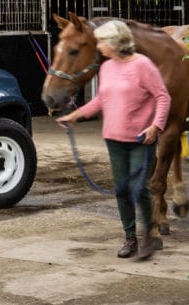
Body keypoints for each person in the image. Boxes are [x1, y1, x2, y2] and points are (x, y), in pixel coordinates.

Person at [56, 19, 169, 261]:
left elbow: (162, 97)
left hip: (140, 138)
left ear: (116, 43)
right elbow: (101, 100)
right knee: (122, 190)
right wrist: (75, 115)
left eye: (102, 42)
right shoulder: (106, 68)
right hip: (114, 139)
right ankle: (130, 238)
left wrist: (156, 126)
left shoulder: (143, 65)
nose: (98, 46)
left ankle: (149, 233)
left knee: (139, 189)